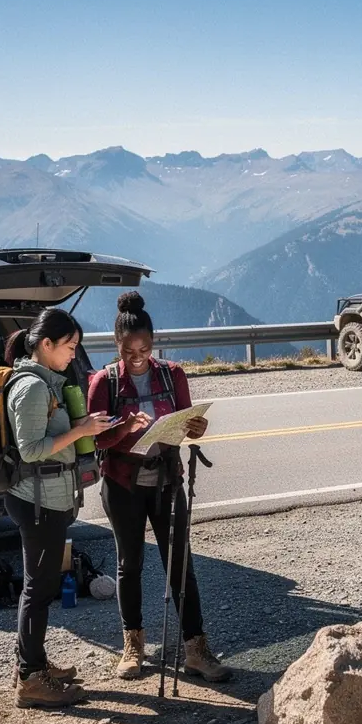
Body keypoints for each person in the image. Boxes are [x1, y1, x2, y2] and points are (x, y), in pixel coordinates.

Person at [87, 291, 232, 683]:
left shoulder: (172, 375)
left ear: (154, 343)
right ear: (117, 345)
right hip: (122, 484)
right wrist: (123, 429)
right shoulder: (105, 382)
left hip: (166, 479)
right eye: (131, 349)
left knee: (180, 564)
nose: (138, 356)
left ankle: (196, 651)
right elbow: (94, 441)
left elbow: (185, 423)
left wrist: (194, 428)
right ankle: (132, 647)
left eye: (145, 348)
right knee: (129, 565)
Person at [4, 308, 115, 709]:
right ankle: (31, 679)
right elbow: (30, 450)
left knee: (40, 584)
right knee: (40, 587)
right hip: (38, 501)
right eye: (69, 346)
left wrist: (87, 430)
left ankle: (32, 664)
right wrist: (81, 431)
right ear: (46, 345)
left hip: (44, 498)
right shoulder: (32, 388)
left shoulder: (43, 382)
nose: (73, 354)